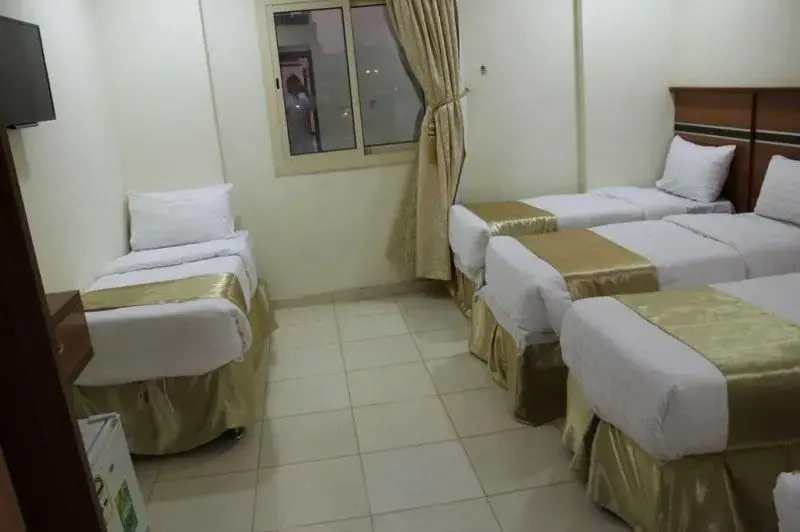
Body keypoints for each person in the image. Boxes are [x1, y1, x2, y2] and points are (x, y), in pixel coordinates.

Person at [283, 74, 317, 154]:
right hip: (293, 136)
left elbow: (314, 105)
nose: (296, 86)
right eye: (294, 84)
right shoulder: (287, 100)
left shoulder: (303, 97)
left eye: (297, 84)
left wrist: (307, 93)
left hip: (305, 135)